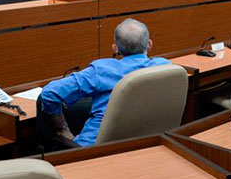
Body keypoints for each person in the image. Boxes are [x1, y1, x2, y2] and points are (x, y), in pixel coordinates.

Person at [39, 19, 169, 147]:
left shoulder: (102, 70)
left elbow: (49, 93)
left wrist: (63, 130)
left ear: (115, 48)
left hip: (94, 151)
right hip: (145, 143)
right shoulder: (164, 67)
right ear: (150, 45)